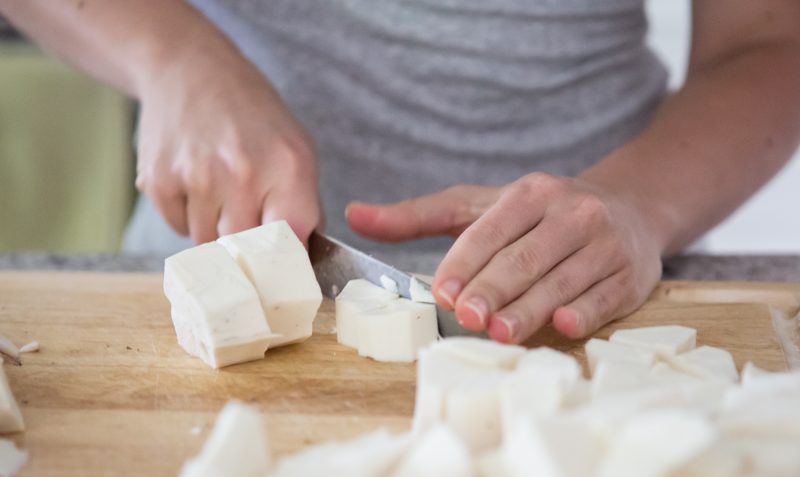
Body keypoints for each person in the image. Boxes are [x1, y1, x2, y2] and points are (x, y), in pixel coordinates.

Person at [2, 1, 799, 344]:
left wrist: (638, 203)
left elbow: (772, 40)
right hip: (221, 272)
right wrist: (174, 61)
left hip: (599, 295)